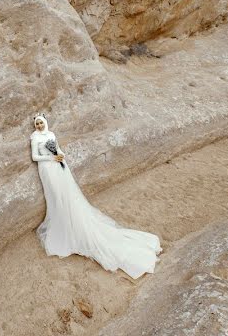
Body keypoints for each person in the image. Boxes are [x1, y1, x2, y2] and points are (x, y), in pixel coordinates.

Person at [30, 113, 162, 280]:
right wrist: (51, 157)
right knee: (57, 197)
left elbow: (58, 147)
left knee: (70, 195)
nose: (40, 126)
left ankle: (74, 221)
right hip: (47, 169)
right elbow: (35, 157)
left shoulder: (51, 134)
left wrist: (61, 155)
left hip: (60, 166)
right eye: (37, 124)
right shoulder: (35, 138)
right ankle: (64, 222)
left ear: (45, 123)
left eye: (41, 123)